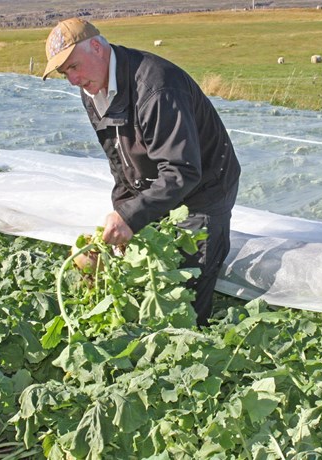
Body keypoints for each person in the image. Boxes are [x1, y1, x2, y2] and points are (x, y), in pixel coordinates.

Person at [42, 18, 241, 326]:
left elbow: (182, 170)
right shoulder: (93, 89)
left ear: (97, 47)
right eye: (64, 71)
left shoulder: (156, 86)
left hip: (204, 188)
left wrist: (132, 217)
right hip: (157, 187)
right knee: (147, 282)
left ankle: (190, 350)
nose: (72, 79)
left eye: (74, 66)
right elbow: (118, 160)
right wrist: (124, 213)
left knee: (184, 292)